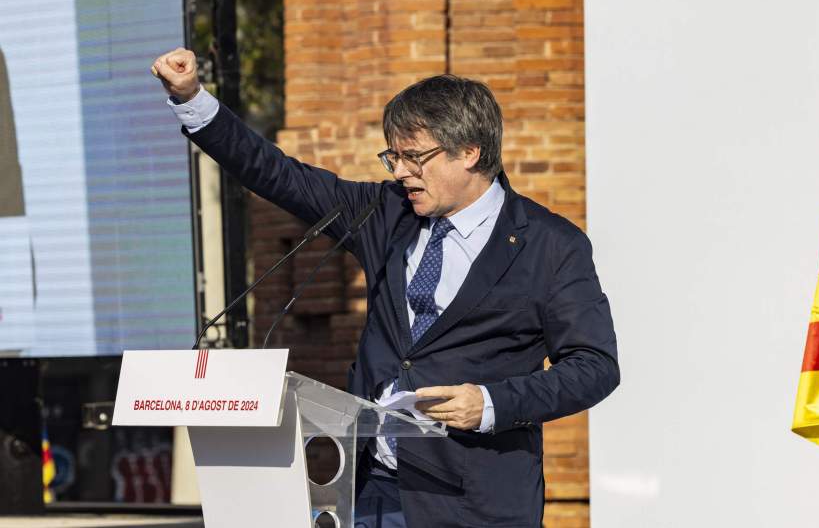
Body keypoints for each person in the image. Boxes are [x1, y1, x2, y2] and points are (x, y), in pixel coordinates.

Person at [152, 47, 619, 528]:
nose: (399, 172)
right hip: (372, 490)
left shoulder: (551, 245)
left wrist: (490, 403)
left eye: (414, 158)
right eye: (393, 156)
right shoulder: (384, 211)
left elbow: (594, 366)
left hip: (475, 501)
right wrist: (192, 99)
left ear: (470, 152)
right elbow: (276, 174)